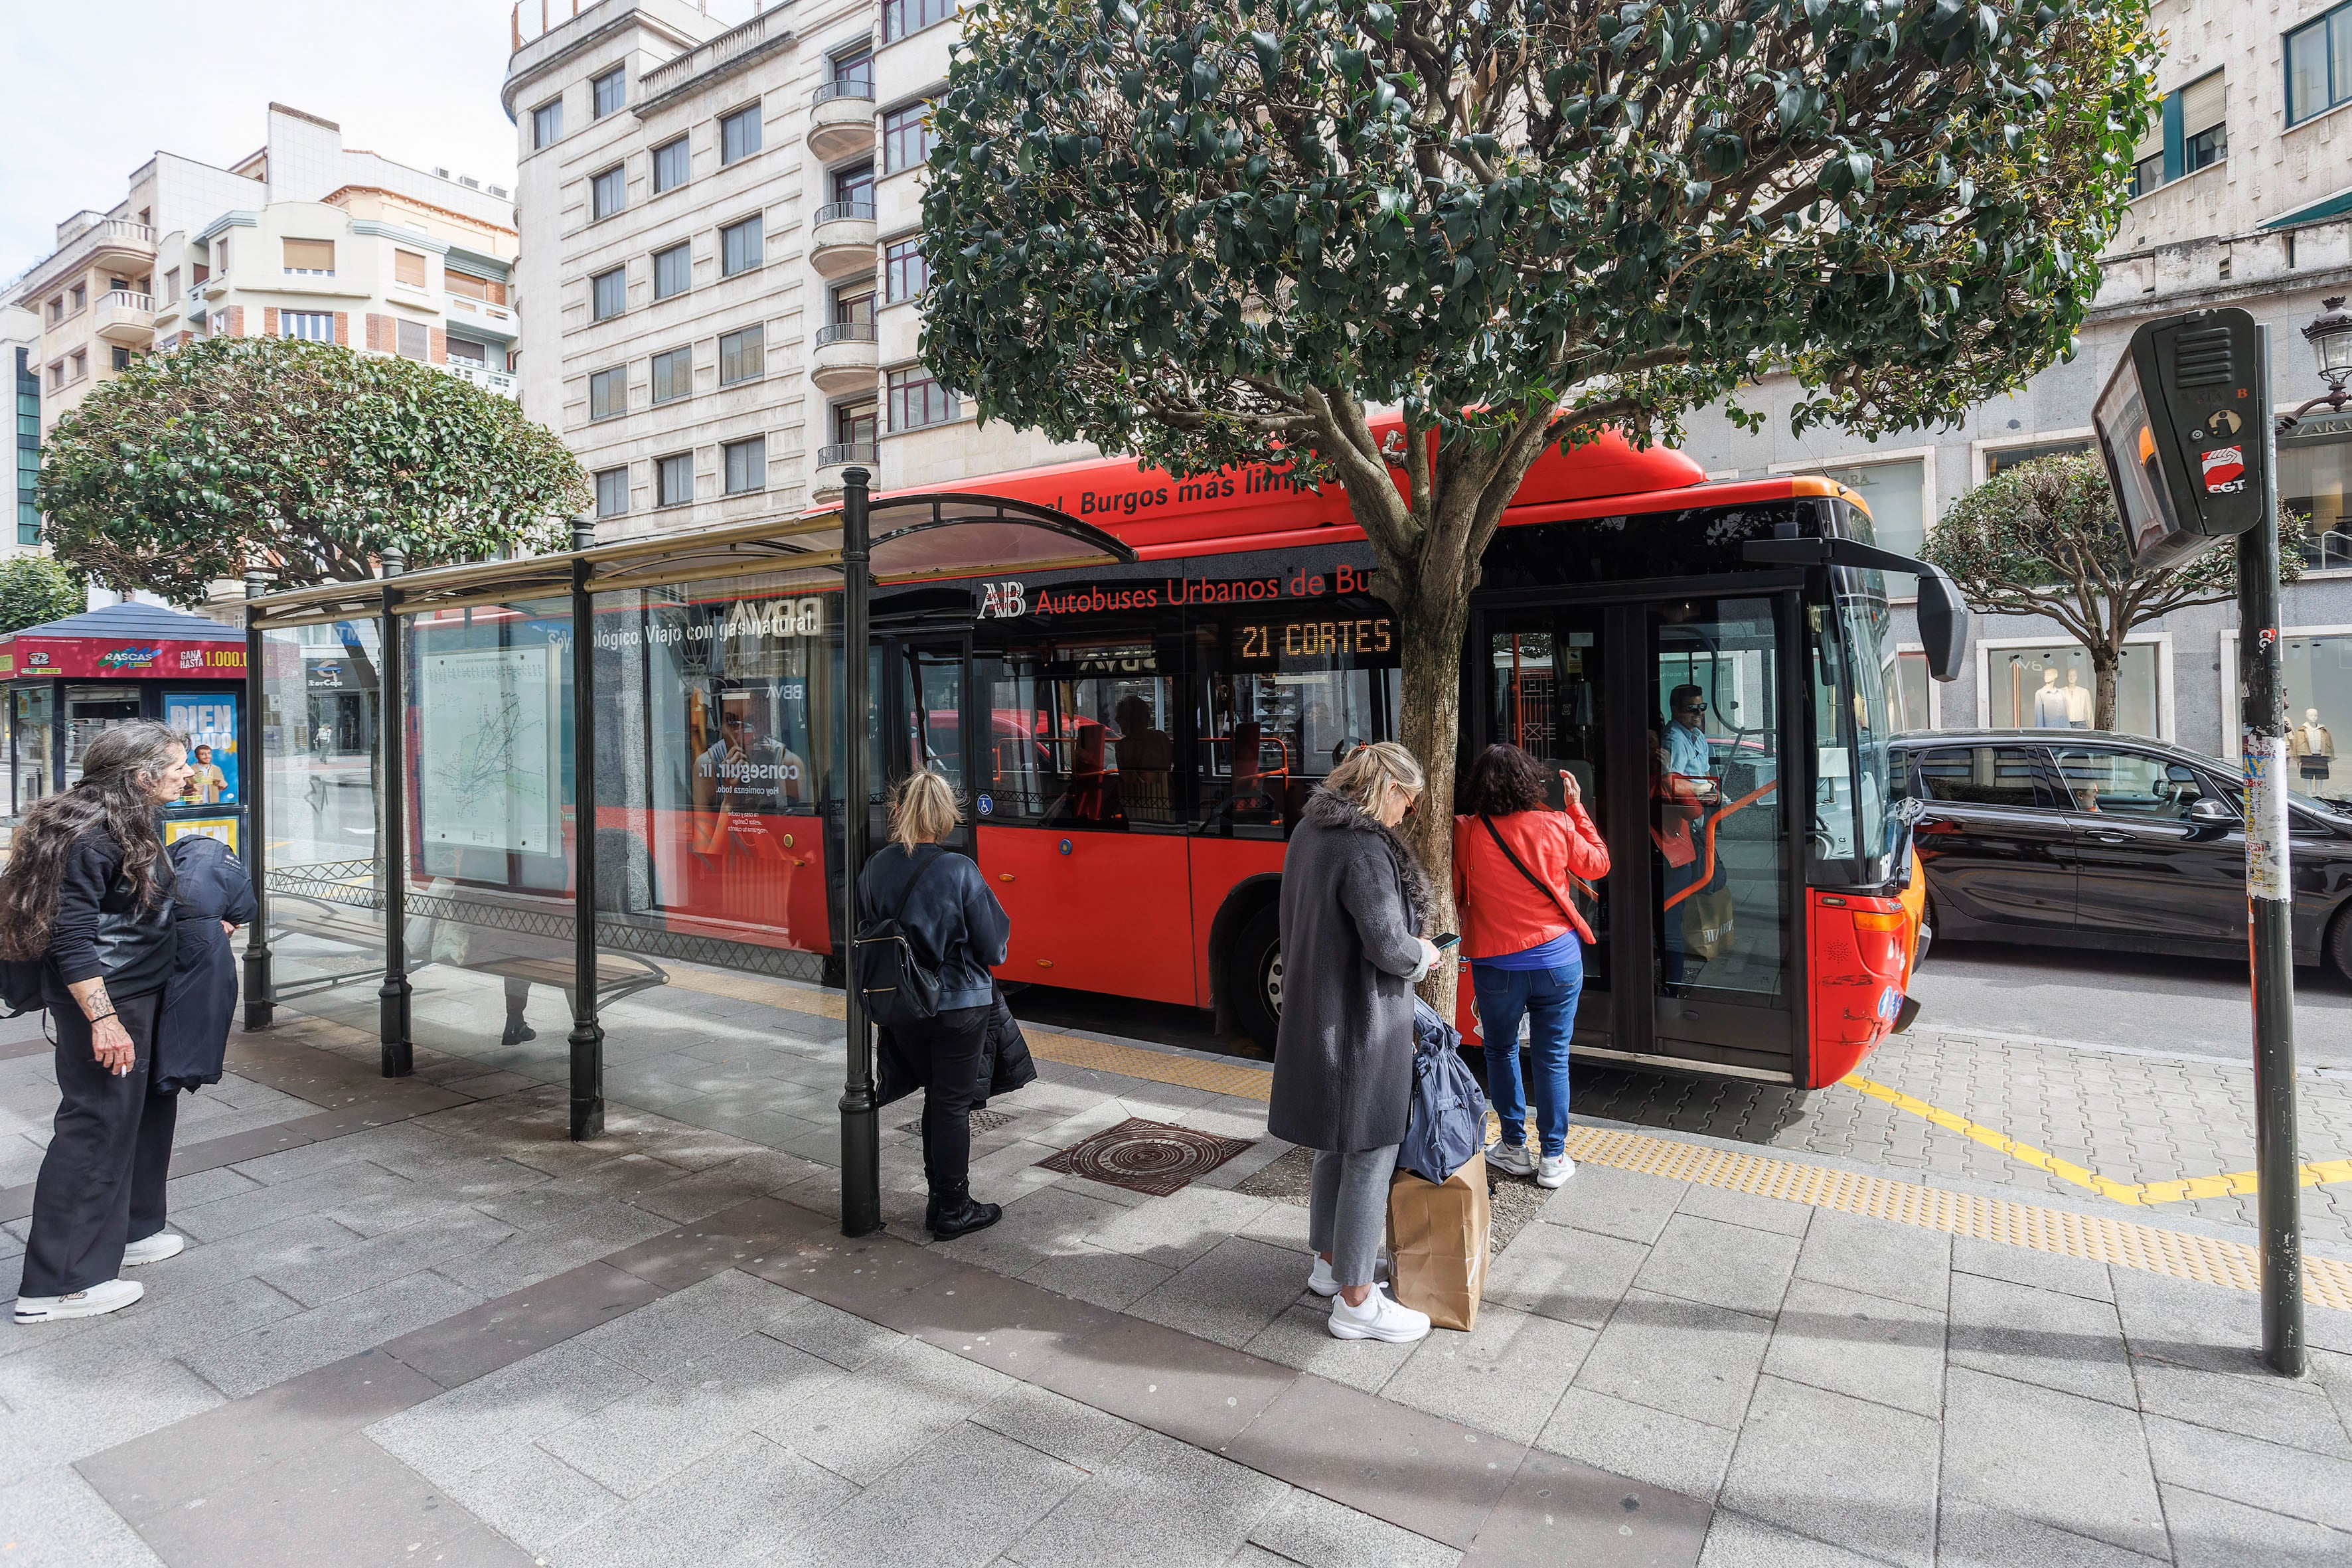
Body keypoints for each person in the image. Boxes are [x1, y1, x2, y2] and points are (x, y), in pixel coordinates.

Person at [1, 723, 195, 1324]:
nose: (188, 773)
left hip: (139, 989)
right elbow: (72, 939)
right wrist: (104, 1021)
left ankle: (131, 1230)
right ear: (141, 776)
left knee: (141, 1113)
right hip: (109, 1000)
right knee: (95, 1127)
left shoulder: (123, 820)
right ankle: (58, 1284)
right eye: (177, 765)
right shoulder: (92, 837)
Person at [1267, 740, 1442, 1344]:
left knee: (1333, 1145)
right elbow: (1388, 947)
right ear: (1390, 790)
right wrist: (1425, 954)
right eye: (1409, 803)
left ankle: (1329, 1264)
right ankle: (1357, 1301)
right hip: (1361, 1021)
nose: (1406, 816)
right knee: (1370, 1149)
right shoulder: (1365, 849)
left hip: (1317, 1014)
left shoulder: (1309, 831)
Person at [858, 770, 1013, 1239]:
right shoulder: (959, 870)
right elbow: (993, 948)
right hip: (958, 1007)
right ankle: (951, 1208)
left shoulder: (875, 867)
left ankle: (941, 1201)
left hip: (902, 1006)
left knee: (936, 1101)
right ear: (946, 814)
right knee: (950, 1105)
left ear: (898, 810)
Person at [1452, 744, 1610, 1188]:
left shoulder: (1463, 831)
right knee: (1552, 1055)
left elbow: (1457, 888)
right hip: (1558, 960)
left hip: (1496, 964)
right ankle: (1554, 1158)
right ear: (1530, 782)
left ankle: (1514, 1146)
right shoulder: (1555, 824)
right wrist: (1576, 808)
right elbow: (1598, 864)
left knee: (1500, 1050)